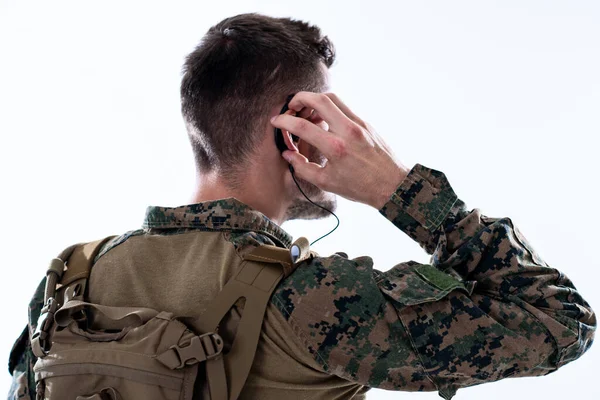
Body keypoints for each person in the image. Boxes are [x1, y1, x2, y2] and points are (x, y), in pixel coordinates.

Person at [8, 12, 596, 400]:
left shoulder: (72, 277)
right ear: (299, 131)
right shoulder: (311, 299)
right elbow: (560, 320)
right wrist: (395, 187)